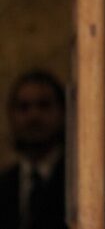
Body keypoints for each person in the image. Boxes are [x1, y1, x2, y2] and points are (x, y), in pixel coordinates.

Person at [0, 70, 67, 229]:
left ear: (62, 112)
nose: (33, 116)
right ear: (11, 115)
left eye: (44, 105)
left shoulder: (78, 183)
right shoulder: (3, 185)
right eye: (24, 107)